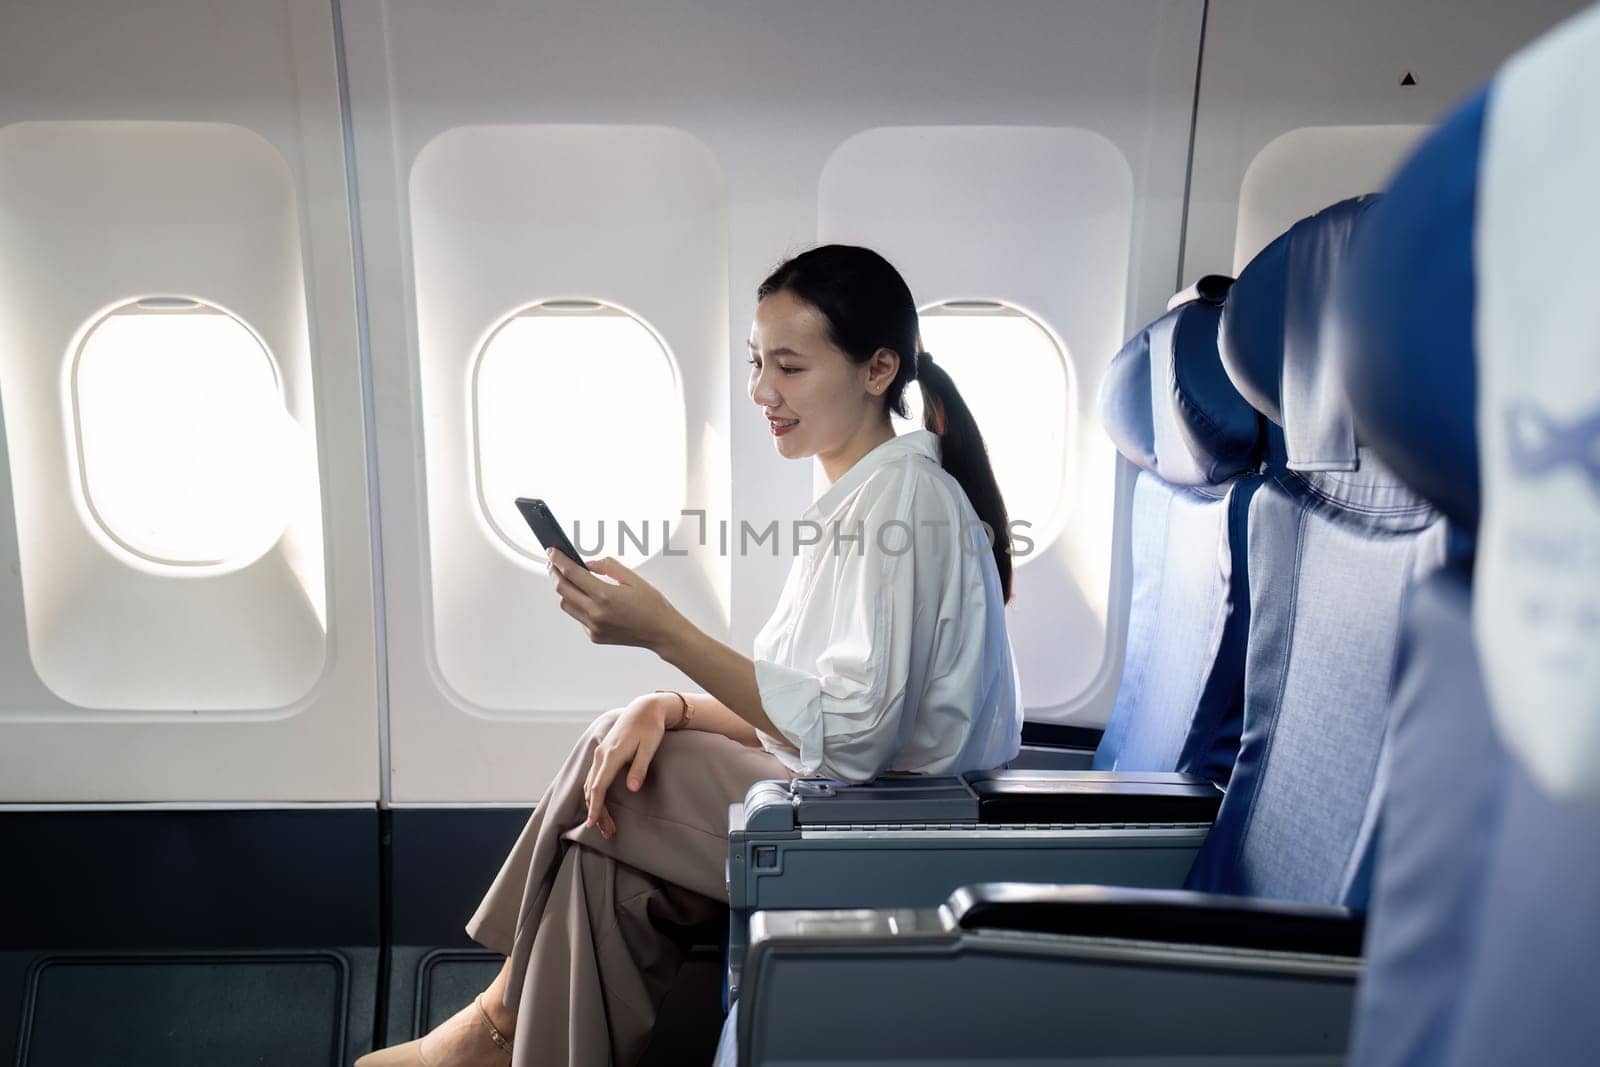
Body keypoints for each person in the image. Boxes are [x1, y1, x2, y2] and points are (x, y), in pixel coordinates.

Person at [358, 244, 1023, 1066]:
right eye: (755, 363)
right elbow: (807, 703)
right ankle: (499, 1032)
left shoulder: (906, 502)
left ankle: (494, 1020)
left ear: (878, 367)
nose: (761, 392)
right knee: (617, 851)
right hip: (852, 799)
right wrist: (667, 702)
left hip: (893, 826)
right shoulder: (861, 495)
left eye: (789, 366)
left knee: (627, 792)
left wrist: (665, 633)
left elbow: (852, 738)